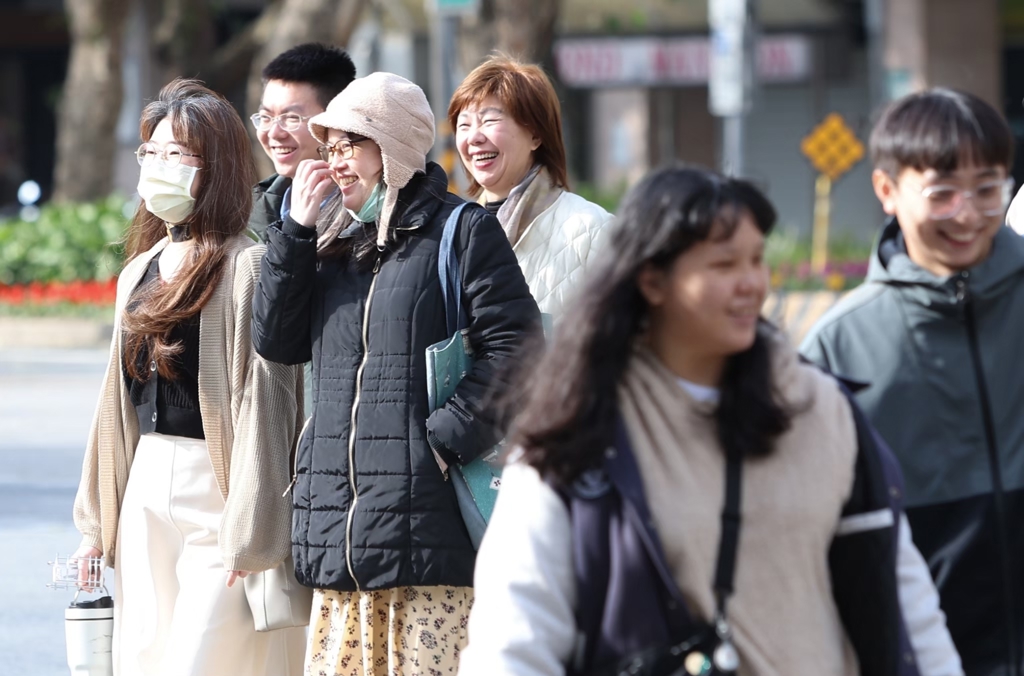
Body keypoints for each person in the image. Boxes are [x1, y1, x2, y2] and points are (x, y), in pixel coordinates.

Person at [460, 166, 955, 676]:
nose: (750, 284)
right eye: (723, 265)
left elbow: (906, 600)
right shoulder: (579, 434)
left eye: (757, 260)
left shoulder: (821, 408)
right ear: (651, 280)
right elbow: (515, 644)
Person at [251, 72, 540, 675]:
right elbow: (276, 343)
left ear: (394, 147)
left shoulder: (462, 231)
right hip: (339, 532)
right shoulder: (330, 238)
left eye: (349, 144)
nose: (335, 162)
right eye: (328, 147)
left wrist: (440, 441)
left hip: (428, 541)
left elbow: (519, 352)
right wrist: (296, 234)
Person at [71, 79, 305, 675]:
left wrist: (254, 530)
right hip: (145, 488)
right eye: (151, 152)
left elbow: (266, 405)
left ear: (217, 167)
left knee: (206, 661)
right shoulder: (141, 270)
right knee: (145, 657)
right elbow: (113, 409)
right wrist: (96, 527)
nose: (159, 168)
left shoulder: (245, 266)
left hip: (220, 493)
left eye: (179, 154)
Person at [801, 88, 1023, 676]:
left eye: (987, 189)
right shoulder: (836, 346)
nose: (969, 214)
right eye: (943, 193)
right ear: (886, 191)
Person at [448, 55, 612, 319]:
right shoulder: (451, 233)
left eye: (489, 121)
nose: (474, 137)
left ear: (536, 135)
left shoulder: (591, 229)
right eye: (464, 125)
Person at [249, 42, 356, 241]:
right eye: (265, 117)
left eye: (291, 118)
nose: (274, 133)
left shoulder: (369, 215)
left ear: (334, 120)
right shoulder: (249, 213)